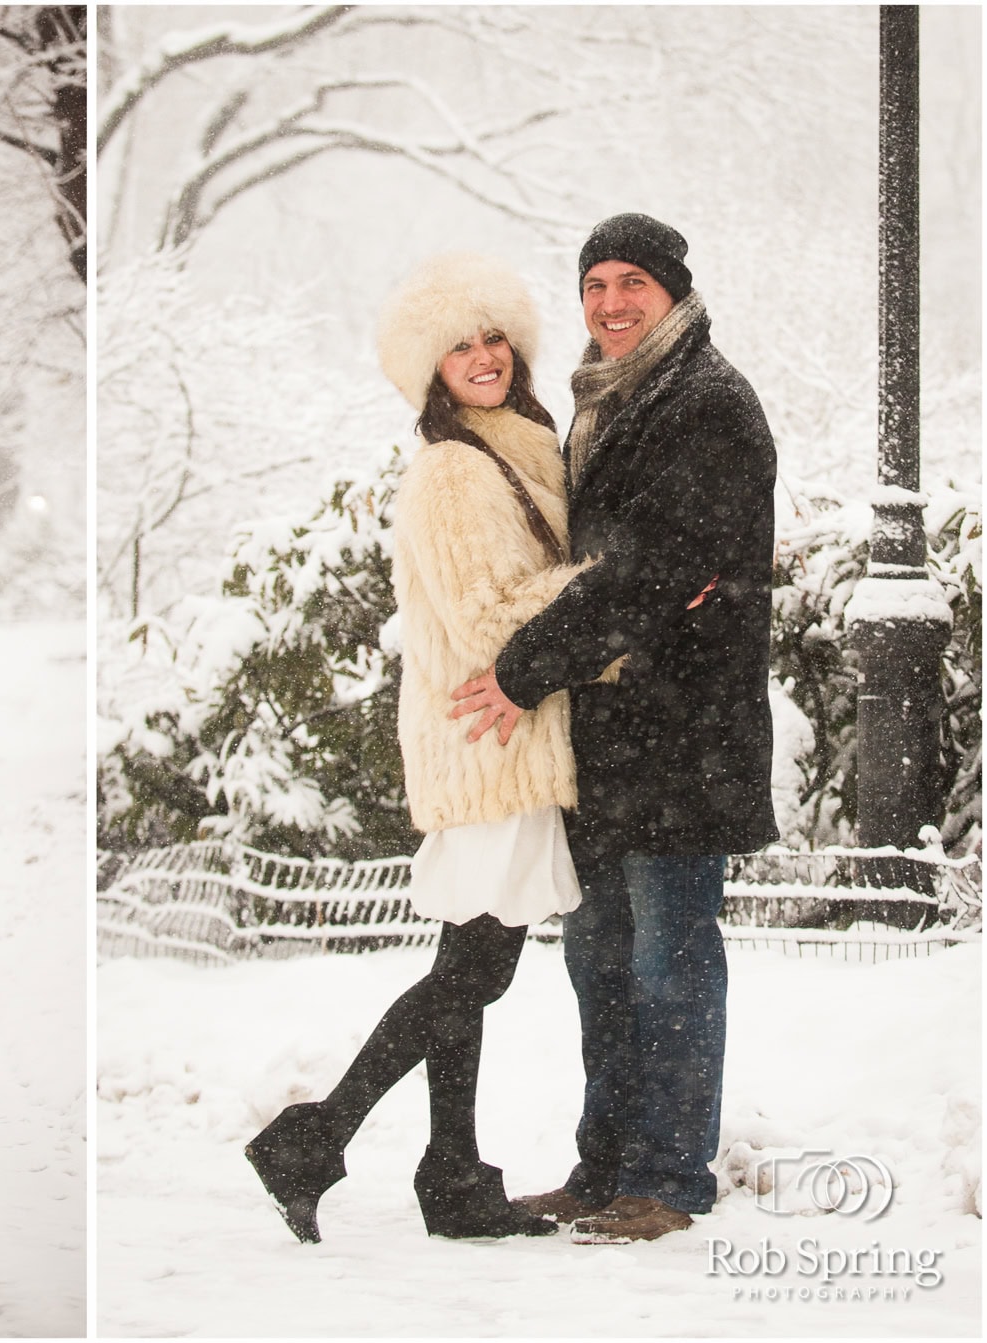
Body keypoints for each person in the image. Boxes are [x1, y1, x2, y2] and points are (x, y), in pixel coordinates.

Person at [245, 252, 608, 1243]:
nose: (483, 356)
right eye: (460, 345)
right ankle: (318, 1135)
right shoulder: (454, 471)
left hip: (510, 731)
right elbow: (489, 616)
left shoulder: (519, 445)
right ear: (430, 368)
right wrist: (607, 588)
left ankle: (448, 1170)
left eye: (493, 337)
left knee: (470, 961)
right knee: (474, 968)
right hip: (490, 737)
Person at [452, 213, 777, 1243]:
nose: (611, 302)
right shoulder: (607, 402)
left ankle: (670, 1176)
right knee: (598, 956)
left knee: (669, 960)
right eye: (594, 284)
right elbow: (597, 571)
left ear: (673, 290)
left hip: (685, 733)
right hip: (609, 733)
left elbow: (647, 570)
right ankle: (604, 1166)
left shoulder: (706, 403)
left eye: (632, 281)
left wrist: (524, 667)